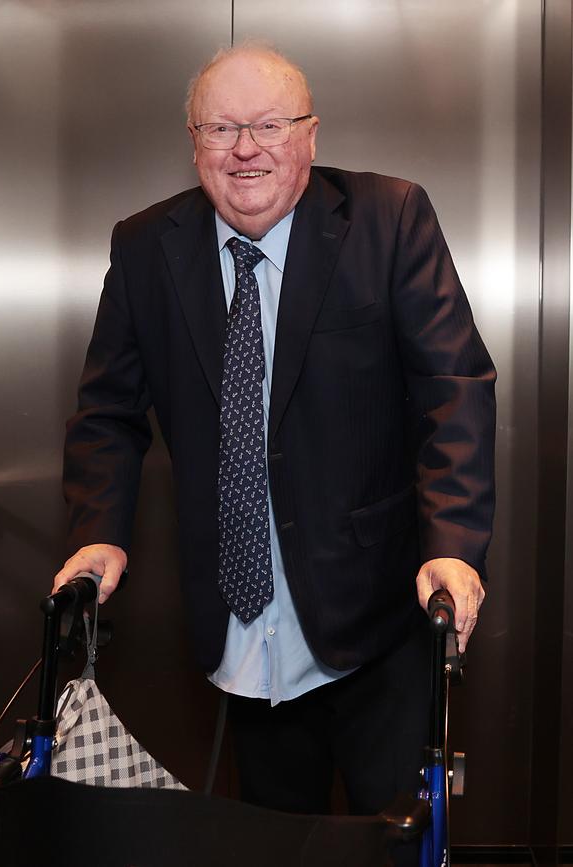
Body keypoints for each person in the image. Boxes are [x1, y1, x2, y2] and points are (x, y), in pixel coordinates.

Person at [53, 43, 495, 823]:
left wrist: (453, 544)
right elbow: (106, 412)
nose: (246, 148)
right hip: (239, 630)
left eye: (269, 125)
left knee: (392, 838)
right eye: (221, 128)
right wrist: (99, 531)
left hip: (380, 621)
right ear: (193, 142)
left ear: (311, 136)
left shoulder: (389, 219)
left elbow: (451, 387)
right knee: (269, 838)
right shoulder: (145, 246)